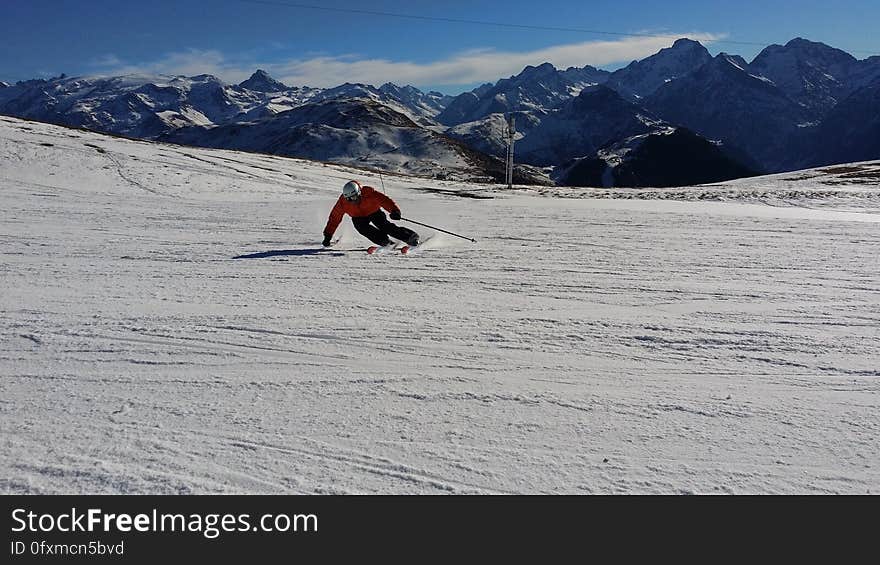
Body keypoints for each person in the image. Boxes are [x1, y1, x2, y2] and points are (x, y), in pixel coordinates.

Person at [322, 180, 420, 247]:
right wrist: (328, 235)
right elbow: (334, 218)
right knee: (363, 229)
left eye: (354, 197)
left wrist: (394, 211)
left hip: (374, 212)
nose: (353, 201)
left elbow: (384, 200)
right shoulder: (343, 203)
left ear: (359, 192)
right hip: (358, 217)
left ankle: (410, 237)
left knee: (384, 226)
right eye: (349, 199)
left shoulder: (369, 193)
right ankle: (385, 242)